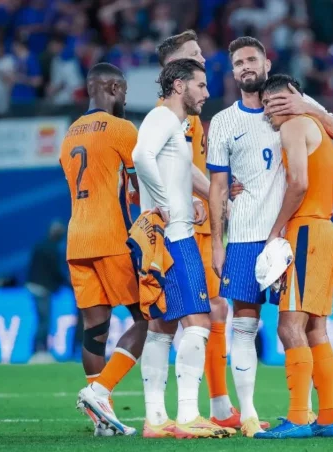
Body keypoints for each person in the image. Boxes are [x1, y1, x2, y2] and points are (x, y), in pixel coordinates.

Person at [206, 36, 333, 438]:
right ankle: (305, 417)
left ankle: (301, 417)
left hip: (295, 234)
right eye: (238, 61)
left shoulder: (296, 118)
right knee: (293, 327)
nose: (245, 66)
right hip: (262, 235)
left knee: (290, 328)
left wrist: (307, 105)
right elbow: (218, 186)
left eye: (252, 58)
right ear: (233, 70)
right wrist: (217, 240)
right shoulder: (225, 122)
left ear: (268, 65)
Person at [133, 58, 234, 439]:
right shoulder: (163, 119)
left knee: (162, 326)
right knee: (199, 321)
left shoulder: (171, 124)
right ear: (179, 85)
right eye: (201, 85)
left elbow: (168, 167)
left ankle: (156, 419)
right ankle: (189, 414)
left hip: (162, 235)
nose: (207, 93)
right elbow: (140, 156)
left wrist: (190, 196)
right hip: (174, 237)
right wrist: (165, 203)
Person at [153, 30, 241, 430]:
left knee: (196, 315)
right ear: (176, 69)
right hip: (186, 228)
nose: (203, 59)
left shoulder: (187, 113)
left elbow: (191, 166)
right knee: (189, 318)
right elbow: (171, 167)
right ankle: (196, 409)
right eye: (194, 56)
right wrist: (210, 197)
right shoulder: (170, 114)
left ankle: (186, 410)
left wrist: (218, 194)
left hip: (199, 222)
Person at [252, 74, 333, 439]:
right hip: (326, 230)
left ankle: (299, 418)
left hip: (305, 230)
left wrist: (276, 229)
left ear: (280, 100)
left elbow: (299, 183)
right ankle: (327, 418)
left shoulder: (293, 126)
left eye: (269, 106)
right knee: (315, 328)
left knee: (288, 326)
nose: (266, 114)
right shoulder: (317, 125)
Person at [64, 62, 148, 437]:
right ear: (113, 88)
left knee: (94, 329)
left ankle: (103, 421)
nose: (125, 100)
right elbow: (138, 187)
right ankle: (101, 391)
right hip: (112, 237)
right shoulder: (122, 129)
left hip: (77, 239)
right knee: (150, 317)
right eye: (124, 93)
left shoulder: (69, 134)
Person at [25, 220, 69, 364]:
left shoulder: (40, 246)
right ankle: (39, 352)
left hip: (34, 286)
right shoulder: (53, 250)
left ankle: (39, 350)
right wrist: (70, 285)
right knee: (44, 321)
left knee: (42, 320)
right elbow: (56, 272)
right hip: (42, 289)